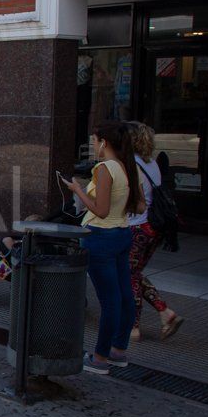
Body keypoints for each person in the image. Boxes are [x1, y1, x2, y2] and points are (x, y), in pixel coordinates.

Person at [63, 121, 145, 375]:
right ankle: (118, 351)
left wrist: (78, 190)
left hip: (101, 237)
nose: (93, 146)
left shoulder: (104, 169)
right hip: (122, 233)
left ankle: (99, 357)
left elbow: (100, 209)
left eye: (94, 141)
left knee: (109, 300)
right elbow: (140, 207)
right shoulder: (130, 167)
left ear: (104, 143)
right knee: (123, 295)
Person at [127, 122, 183, 341]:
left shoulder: (132, 164)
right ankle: (165, 312)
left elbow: (134, 200)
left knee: (129, 276)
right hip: (153, 228)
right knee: (134, 273)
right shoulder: (150, 163)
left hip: (136, 226)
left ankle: (133, 326)